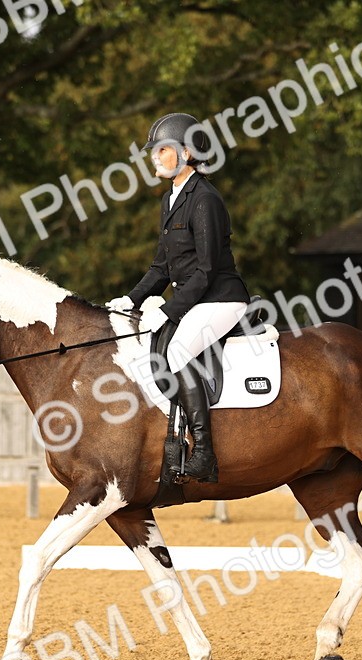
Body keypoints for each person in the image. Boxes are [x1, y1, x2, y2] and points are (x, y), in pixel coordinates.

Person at [107, 112, 251, 484]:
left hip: (221, 298)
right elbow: (161, 268)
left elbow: (205, 270)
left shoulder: (204, 199)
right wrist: (131, 299)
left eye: (162, 149)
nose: (154, 156)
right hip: (196, 299)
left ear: (186, 153)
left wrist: (169, 311)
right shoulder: (170, 200)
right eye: (153, 150)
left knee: (179, 350)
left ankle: (203, 450)